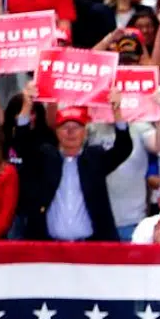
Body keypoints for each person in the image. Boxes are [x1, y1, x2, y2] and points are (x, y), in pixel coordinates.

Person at [14, 101, 134, 243]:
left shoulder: (95, 158)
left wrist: (117, 110)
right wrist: (27, 105)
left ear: (85, 132)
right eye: (65, 127)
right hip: (48, 247)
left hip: (90, 247)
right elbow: (22, 144)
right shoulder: (46, 158)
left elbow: (123, 148)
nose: (70, 132)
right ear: (57, 131)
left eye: (76, 127)